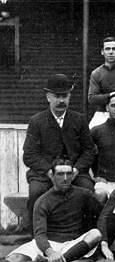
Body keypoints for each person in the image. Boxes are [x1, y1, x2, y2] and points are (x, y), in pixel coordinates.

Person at [22, 74, 96, 235]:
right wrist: (49, 171)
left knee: (88, 190)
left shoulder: (79, 120)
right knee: (36, 192)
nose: (61, 101)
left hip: (75, 172)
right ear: (48, 97)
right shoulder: (37, 121)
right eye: (57, 96)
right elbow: (29, 154)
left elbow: (89, 150)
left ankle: (87, 236)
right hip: (45, 173)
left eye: (65, 96)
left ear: (70, 97)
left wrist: (76, 169)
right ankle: (35, 237)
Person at [0, 159, 102, 262]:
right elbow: (39, 234)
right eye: (60, 174)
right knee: (13, 260)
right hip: (49, 244)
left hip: (72, 244)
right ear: (51, 175)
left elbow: (102, 217)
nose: (65, 178)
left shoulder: (84, 195)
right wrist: (50, 252)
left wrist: (106, 242)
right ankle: (51, 261)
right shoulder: (42, 201)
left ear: (73, 175)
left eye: (68, 174)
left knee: (95, 234)